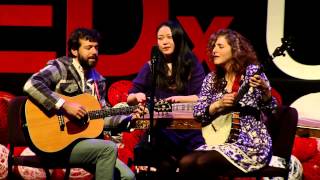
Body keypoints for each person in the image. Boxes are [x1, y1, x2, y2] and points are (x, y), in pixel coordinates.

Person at [23, 28, 137, 180]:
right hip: (53, 143)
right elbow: (31, 84)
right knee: (108, 149)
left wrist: (130, 119)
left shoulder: (99, 81)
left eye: (96, 48)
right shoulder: (62, 67)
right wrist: (64, 105)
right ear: (74, 50)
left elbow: (101, 117)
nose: (94, 52)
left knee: (128, 177)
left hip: (83, 145)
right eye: (88, 47)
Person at [178, 29, 278, 179]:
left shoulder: (252, 72)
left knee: (203, 162)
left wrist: (265, 91)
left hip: (250, 143)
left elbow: (272, 110)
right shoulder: (212, 79)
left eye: (220, 46)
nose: (214, 50)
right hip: (221, 140)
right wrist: (217, 104)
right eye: (213, 46)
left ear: (235, 49)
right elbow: (198, 113)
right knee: (185, 162)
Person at [126, 20, 206, 178]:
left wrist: (179, 99)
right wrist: (137, 97)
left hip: (189, 128)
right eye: (160, 38)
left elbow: (202, 97)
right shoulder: (152, 66)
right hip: (161, 130)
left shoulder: (192, 64)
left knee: (193, 165)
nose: (164, 42)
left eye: (169, 37)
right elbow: (130, 97)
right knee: (158, 162)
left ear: (178, 38)